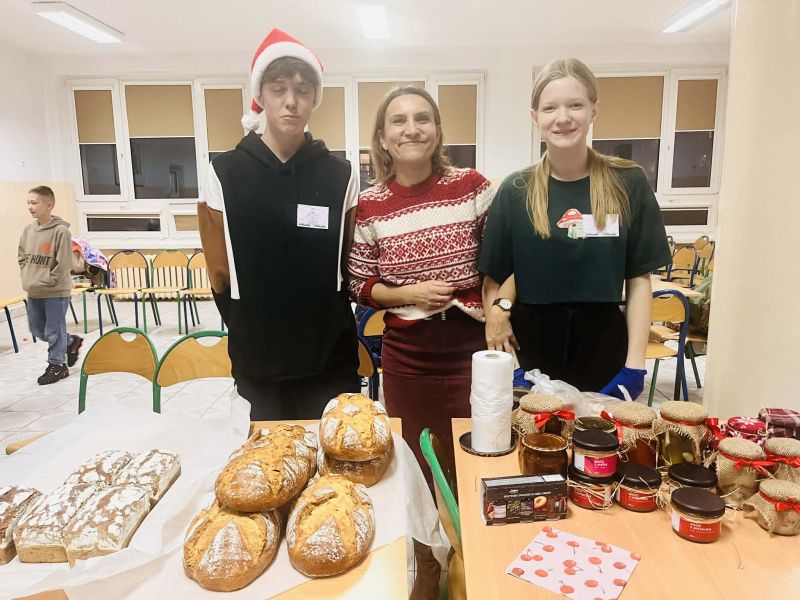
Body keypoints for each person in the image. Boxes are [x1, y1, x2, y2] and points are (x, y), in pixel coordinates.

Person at [480, 58, 671, 400]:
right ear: (535, 117)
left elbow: (639, 280)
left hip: (605, 349)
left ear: (594, 109)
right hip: (530, 348)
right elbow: (494, 281)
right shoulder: (516, 190)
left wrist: (635, 364)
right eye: (550, 107)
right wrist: (512, 364)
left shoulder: (628, 182)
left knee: (600, 437)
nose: (563, 117)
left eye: (575, 105)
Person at [198, 29, 360, 420]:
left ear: (315, 98)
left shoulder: (340, 175)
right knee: (267, 454)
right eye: (278, 89)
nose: (291, 101)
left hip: (330, 361)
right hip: (259, 364)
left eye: (303, 90)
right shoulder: (224, 172)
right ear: (261, 95)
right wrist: (250, 324)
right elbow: (219, 273)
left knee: (335, 454)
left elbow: (347, 263)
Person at [348, 86, 494, 476]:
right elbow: (359, 284)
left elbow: (502, 263)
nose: (411, 129)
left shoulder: (471, 187)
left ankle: (469, 521)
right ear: (383, 138)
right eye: (399, 121)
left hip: (473, 349)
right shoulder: (370, 205)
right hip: (408, 356)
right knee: (416, 464)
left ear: (438, 132)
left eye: (422, 119)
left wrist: (501, 312)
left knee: (478, 459)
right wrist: (410, 293)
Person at [18, 186, 83, 384]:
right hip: (34, 290)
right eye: (28, 203)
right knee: (38, 330)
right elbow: (22, 256)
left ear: (49, 205)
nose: (30, 207)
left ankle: (57, 366)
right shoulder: (28, 230)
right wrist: (27, 276)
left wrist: (49, 279)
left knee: (54, 330)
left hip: (55, 291)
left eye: (34, 203)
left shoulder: (60, 231)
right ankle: (70, 342)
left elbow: (64, 263)